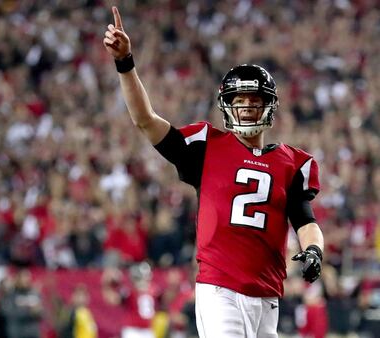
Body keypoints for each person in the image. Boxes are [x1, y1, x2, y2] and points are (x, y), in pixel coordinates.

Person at [103, 6, 325, 337]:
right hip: (220, 290)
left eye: (255, 100)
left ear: (269, 106)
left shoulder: (293, 162)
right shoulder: (206, 145)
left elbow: (305, 220)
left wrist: (314, 250)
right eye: (240, 100)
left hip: (268, 297)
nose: (247, 106)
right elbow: (145, 120)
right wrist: (125, 64)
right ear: (227, 105)